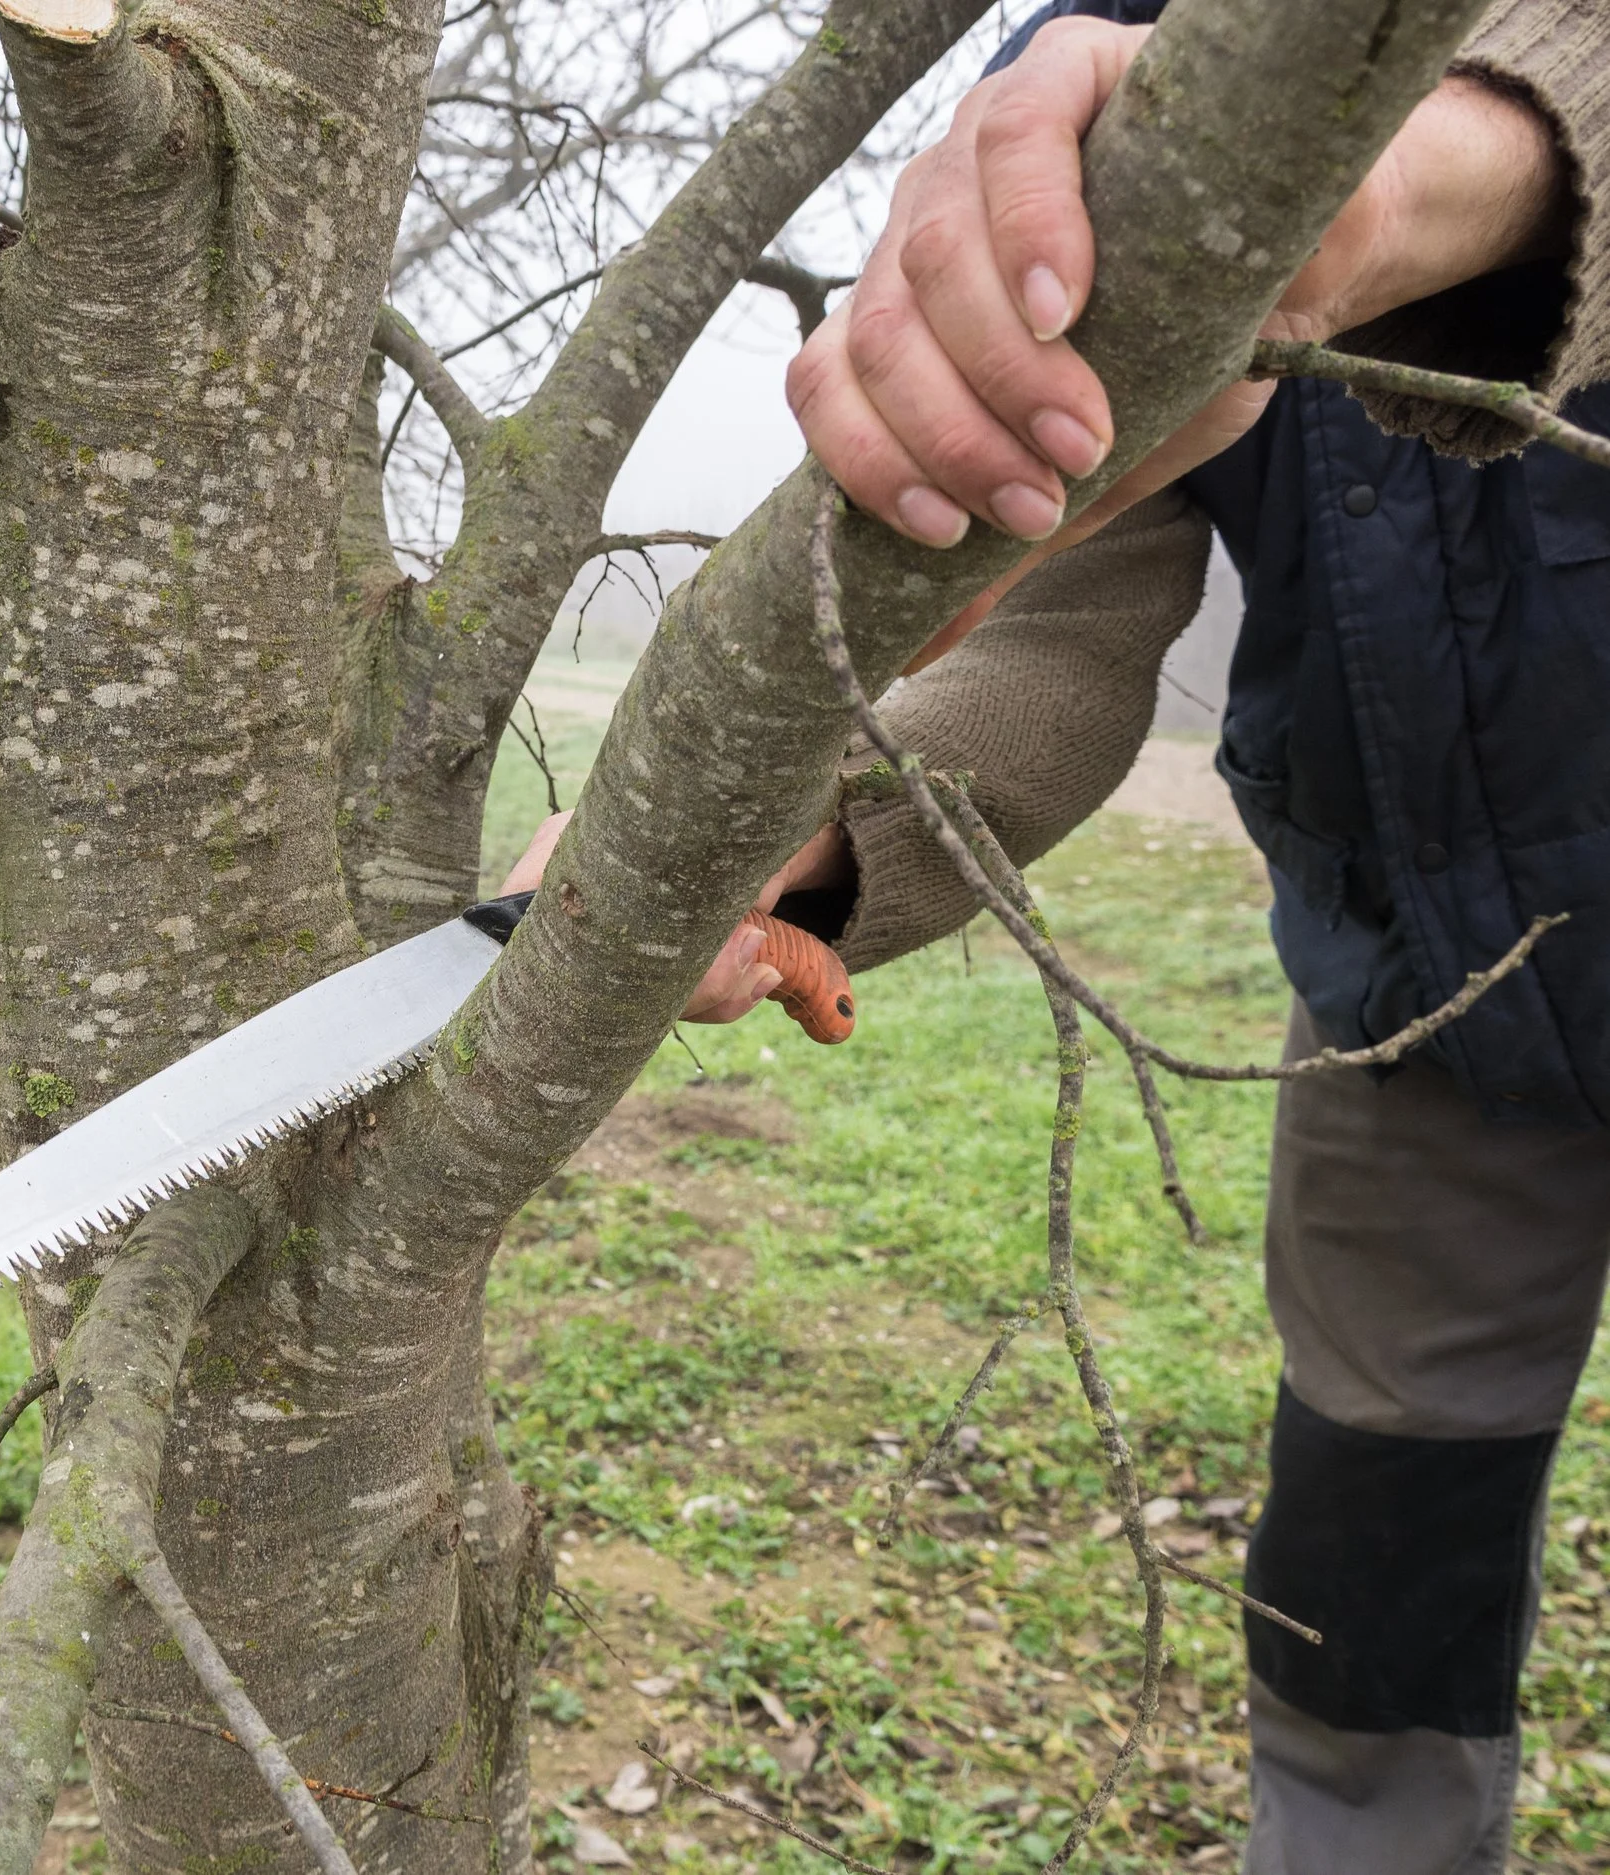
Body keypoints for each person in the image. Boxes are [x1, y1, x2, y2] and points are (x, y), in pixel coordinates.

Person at [508, 3, 1610, 1868]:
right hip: (1412, 1024)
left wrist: (1432, 166)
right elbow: (1060, 621)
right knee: (1370, 1595)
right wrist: (807, 836)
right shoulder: (1121, 77)